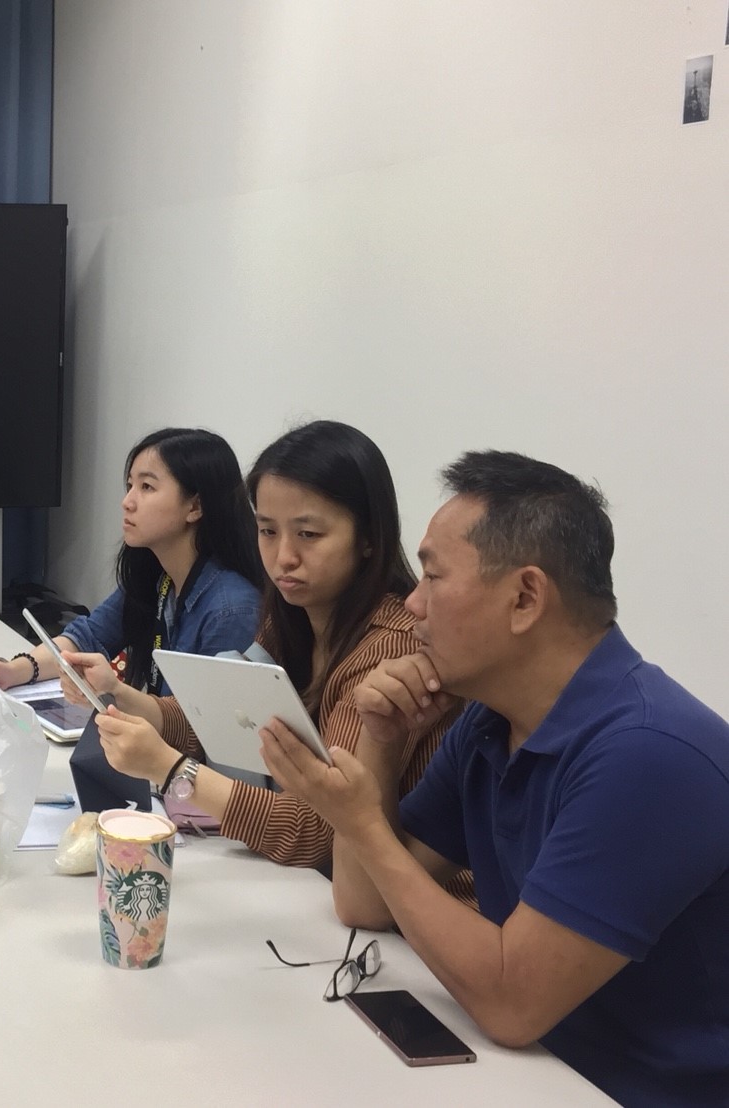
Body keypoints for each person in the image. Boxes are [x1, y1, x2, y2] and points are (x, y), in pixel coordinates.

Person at [260, 451, 729, 1105]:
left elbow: (512, 1005)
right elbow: (364, 906)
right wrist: (383, 740)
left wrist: (362, 823)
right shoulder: (489, 722)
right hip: (530, 1072)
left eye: (433, 576)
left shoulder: (650, 754)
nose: (413, 603)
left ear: (525, 598)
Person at [66, 421, 462, 876]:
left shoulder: (389, 647)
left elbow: (320, 830)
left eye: (308, 534)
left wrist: (172, 771)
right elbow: (221, 719)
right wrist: (120, 696)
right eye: (268, 531)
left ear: (369, 537)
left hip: (366, 894)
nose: (284, 557)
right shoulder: (291, 614)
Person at [0, 427, 263, 700]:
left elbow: (201, 722)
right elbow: (88, 637)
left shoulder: (231, 609)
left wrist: (115, 696)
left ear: (195, 506)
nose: (127, 502)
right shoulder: (159, 575)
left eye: (147, 487)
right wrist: (13, 671)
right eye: (130, 485)